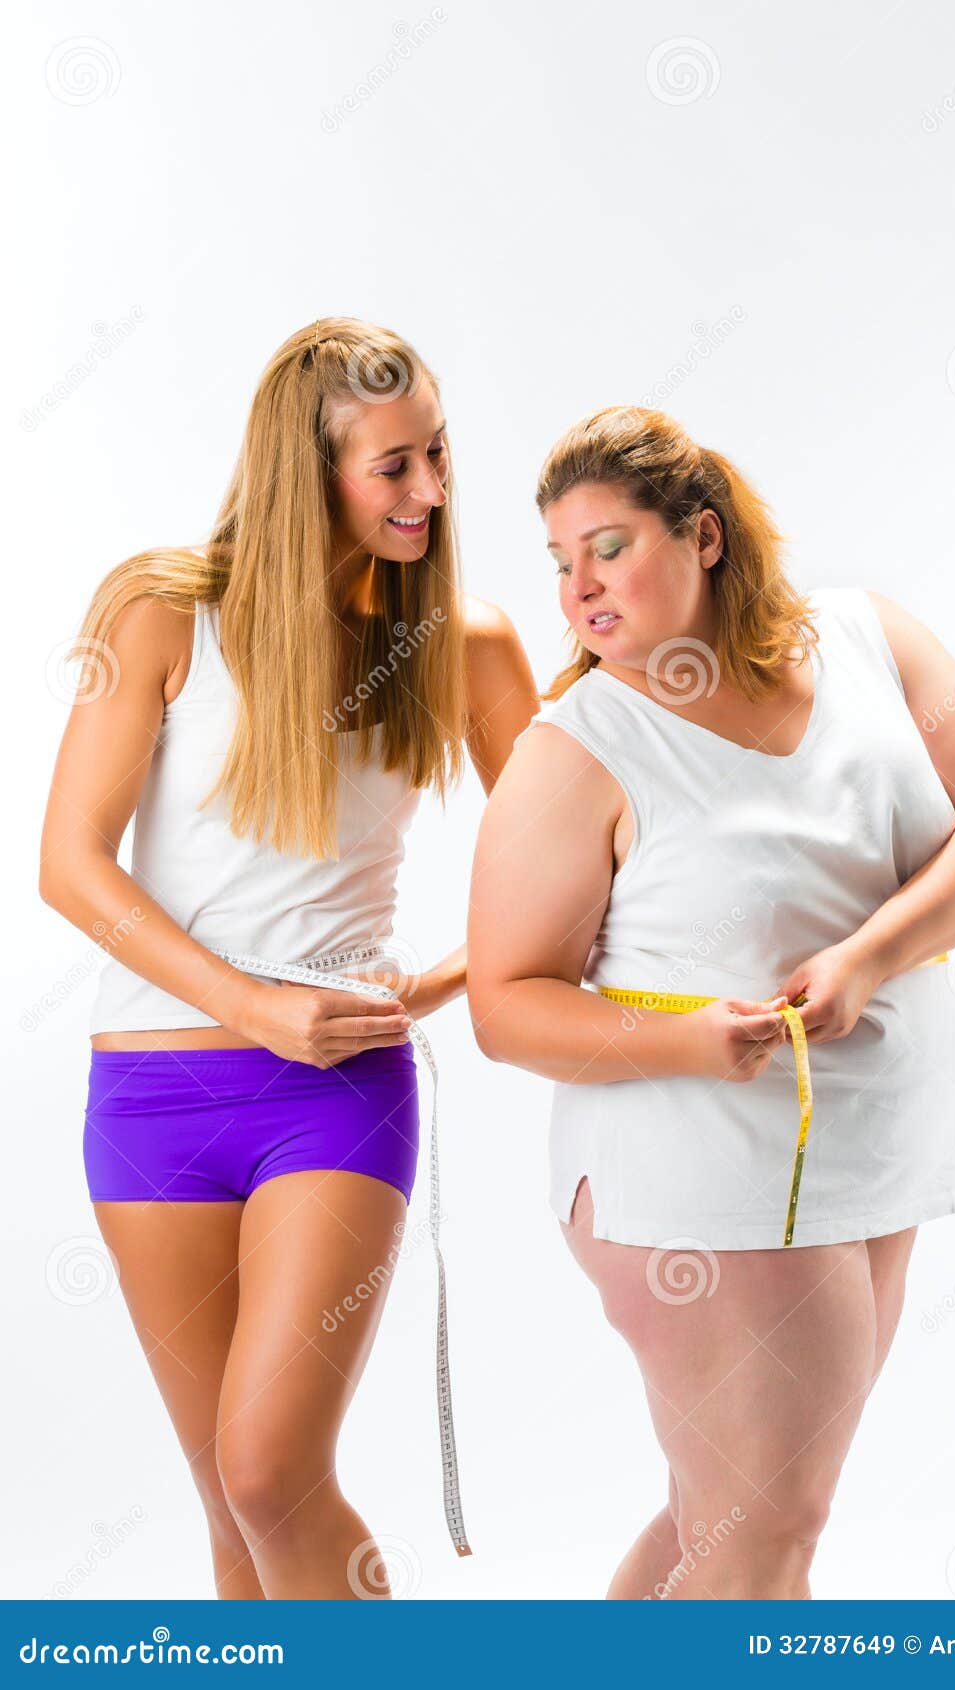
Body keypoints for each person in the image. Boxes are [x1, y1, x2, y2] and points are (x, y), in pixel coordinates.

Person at [466, 404, 955, 1600]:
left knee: (724, 1517)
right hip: (705, 1166)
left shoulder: (868, 639)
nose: (577, 587)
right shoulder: (575, 744)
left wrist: (866, 959)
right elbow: (504, 1006)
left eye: (607, 547)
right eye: (559, 563)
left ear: (706, 536)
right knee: (768, 1530)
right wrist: (690, 1040)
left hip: (878, 1135)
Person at [38, 317, 539, 1599]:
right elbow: (70, 864)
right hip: (149, 1095)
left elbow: (562, 873)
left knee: (272, 1472)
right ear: (301, 470)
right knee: (226, 1496)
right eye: (393, 465)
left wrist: (410, 990)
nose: (429, 490)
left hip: (331, 1094)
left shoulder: (463, 643)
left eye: (438, 456)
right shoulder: (158, 611)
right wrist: (248, 1004)